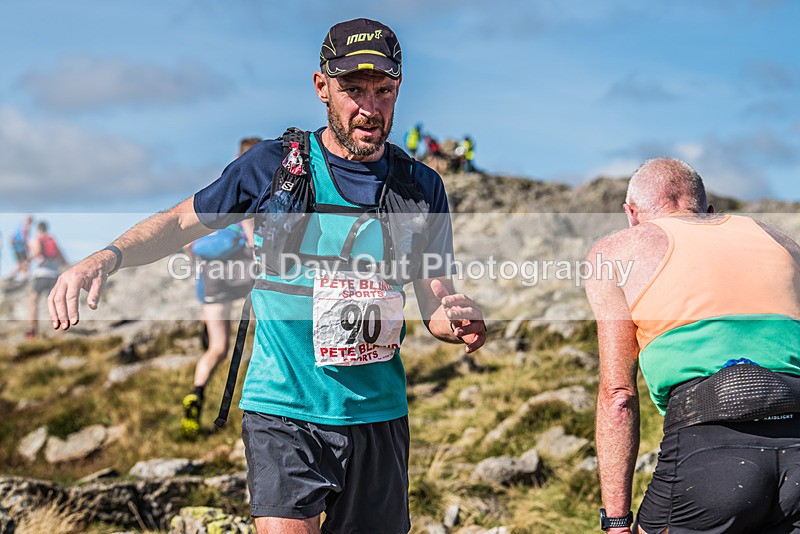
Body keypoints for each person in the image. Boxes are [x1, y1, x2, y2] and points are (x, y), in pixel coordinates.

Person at [48, 18, 486, 534]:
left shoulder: (421, 187)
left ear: (398, 89)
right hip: (283, 408)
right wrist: (107, 256)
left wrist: (455, 320)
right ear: (322, 86)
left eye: (384, 91)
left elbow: (434, 303)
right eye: (352, 89)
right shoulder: (275, 166)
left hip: (378, 415)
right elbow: (177, 223)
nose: (369, 107)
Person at [585, 158, 800, 533]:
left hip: (711, 455)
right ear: (708, 212)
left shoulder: (617, 251)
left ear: (631, 214)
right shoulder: (782, 242)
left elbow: (618, 395)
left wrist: (616, 521)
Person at [181, 137, 260, 438]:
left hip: (213, 278)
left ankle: (196, 395)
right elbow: (253, 239)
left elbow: (189, 243)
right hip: (243, 274)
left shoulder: (218, 192)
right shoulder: (254, 191)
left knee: (216, 348)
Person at [28, 221, 66, 338]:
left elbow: (37, 251)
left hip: (42, 274)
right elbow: (62, 258)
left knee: (33, 300)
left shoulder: (37, 239)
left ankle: (33, 328)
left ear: (38, 229)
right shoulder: (52, 240)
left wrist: (27, 260)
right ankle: (59, 329)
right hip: (54, 274)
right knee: (54, 302)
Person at [8, 215, 33, 281]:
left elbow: (11, 236)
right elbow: (25, 238)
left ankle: (12, 275)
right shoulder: (25, 227)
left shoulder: (19, 226)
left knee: (21, 263)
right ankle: (25, 277)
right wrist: (28, 247)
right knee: (26, 263)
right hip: (21, 248)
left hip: (17, 248)